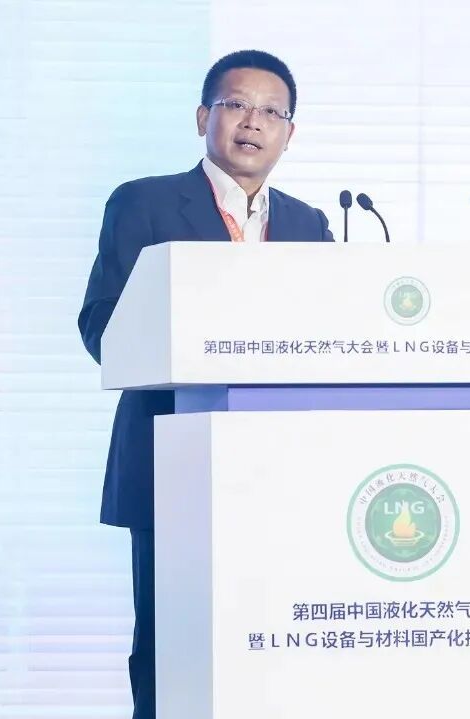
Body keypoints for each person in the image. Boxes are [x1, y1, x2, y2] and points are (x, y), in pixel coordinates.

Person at [76, 49, 334, 719]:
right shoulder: (145, 203)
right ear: (202, 117)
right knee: (172, 656)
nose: (253, 122)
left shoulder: (310, 225)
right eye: (236, 104)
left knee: (273, 654)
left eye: (272, 111)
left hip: (278, 473)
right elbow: (102, 326)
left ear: (289, 133)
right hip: (173, 466)